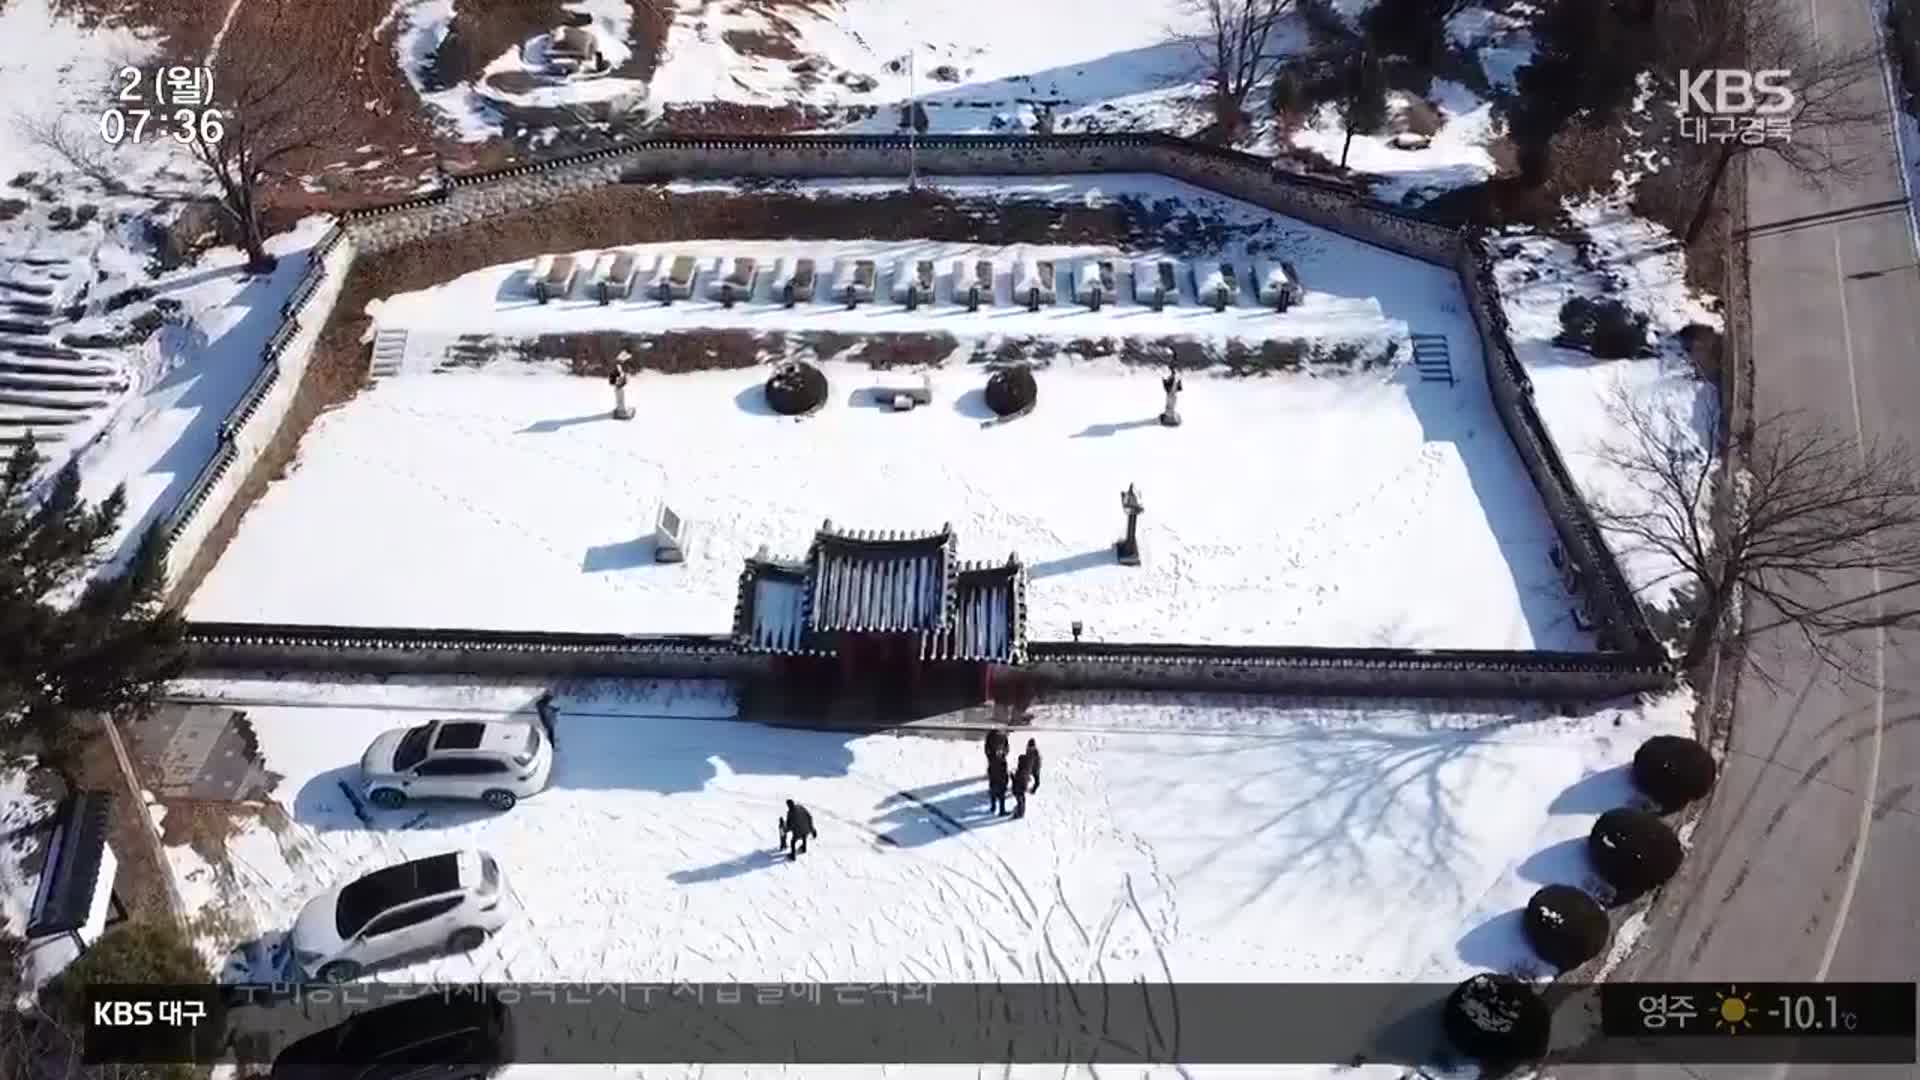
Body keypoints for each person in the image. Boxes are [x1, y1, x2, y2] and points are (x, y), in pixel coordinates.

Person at [1011, 753, 1033, 819]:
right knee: (1022, 799)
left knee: (1020, 800)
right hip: (1023, 787)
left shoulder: (1021, 770)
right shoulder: (1026, 768)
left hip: (1018, 787)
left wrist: (1012, 776)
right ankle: (1021, 811)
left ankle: (1020, 813)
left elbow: (1017, 780)